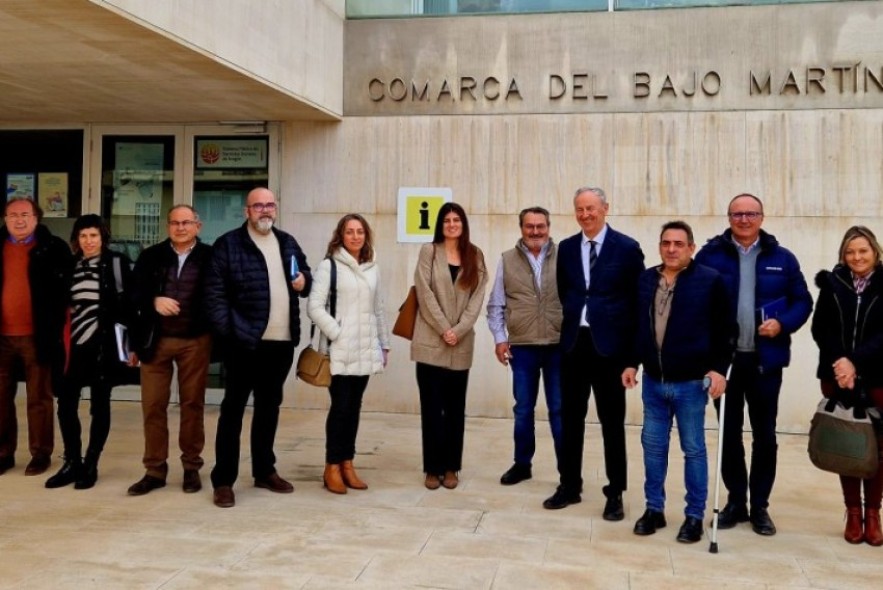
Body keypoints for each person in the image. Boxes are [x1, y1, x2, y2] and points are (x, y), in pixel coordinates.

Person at [695, 193, 812, 536]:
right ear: (728, 216)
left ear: (762, 216)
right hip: (724, 363)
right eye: (737, 214)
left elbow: (803, 301)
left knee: (765, 436)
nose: (744, 219)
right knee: (729, 434)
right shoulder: (710, 254)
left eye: (751, 213)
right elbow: (696, 298)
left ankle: (760, 505)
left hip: (765, 363)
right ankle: (735, 501)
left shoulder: (782, 258)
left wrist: (783, 323)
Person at [623, 221, 733, 543]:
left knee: (694, 449)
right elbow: (637, 326)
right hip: (654, 382)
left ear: (691, 248)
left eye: (679, 244)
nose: (671, 249)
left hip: (690, 383)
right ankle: (654, 509)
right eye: (666, 243)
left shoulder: (710, 281)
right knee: (653, 449)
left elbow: (725, 330)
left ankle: (694, 516)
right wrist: (631, 362)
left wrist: (718, 369)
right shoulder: (645, 279)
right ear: (660, 246)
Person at [205, 187, 311, 508]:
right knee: (233, 411)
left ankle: (265, 470)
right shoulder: (228, 245)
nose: (264, 211)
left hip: (280, 344)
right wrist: (232, 333)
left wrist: (304, 282)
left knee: (268, 409)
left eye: (269, 205)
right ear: (246, 211)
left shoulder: (287, 242)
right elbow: (214, 297)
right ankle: (224, 480)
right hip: (244, 344)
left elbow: (307, 278)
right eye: (258, 206)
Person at [545, 186, 644, 519]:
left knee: (611, 423)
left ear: (605, 208)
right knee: (570, 420)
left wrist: (632, 358)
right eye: (579, 209)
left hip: (610, 350)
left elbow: (637, 304)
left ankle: (615, 492)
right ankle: (569, 485)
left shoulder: (627, 249)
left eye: (591, 208)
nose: (585, 214)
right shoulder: (568, 248)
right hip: (574, 345)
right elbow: (565, 291)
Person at [44, 215, 136, 489]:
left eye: (93, 236)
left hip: (103, 346)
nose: (88, 241)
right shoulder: (69, 266)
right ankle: (72, 461)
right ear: (77, 239)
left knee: (100, 404)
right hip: (73, 346)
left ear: (103, 237)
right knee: (66, 404)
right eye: (83, 236)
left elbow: (130, 308)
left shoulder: (117, 263)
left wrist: (131, 347)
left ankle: (91, 463)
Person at [126, 205, 213, 496]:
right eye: (174, 222)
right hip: (156, 340)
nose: (180, 228)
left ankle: (191, 467)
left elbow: (220, 296)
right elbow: (132, 295)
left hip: (195, 341)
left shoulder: (210, 257)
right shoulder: (151, 256)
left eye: (186, 222)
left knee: (192, 405)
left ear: (197, 226)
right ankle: (154, 469)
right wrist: (154, 300)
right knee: (152, 406)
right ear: (167, 227)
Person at [307, 214, 390, 494]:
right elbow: (315, 307)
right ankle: (331, 466)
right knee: (340, 408)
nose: (355, 236)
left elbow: (378, 309)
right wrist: (338, 332)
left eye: (360, 232)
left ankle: (348, 463)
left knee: (354, 408)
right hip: (339, 350)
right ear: (340, 236)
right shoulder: (328, 266)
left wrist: (384, 344)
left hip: (366, 349)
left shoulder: (372, 268)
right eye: (349, 232)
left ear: (366, 236)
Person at [811, 225, 883, 546]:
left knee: (878, 449)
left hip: (879, 375)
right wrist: (840, 362)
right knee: (849, 442)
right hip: (837, 375)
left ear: (875, 252)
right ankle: (853, 512)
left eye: (863, 251)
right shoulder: (832, 283)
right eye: (851, 252)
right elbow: (820, 329)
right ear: (843, 254)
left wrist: (855, 361)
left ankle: (873, 514)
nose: (857, 257)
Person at [412, 202, 487, 490]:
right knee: (432, 409)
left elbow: (478, 296)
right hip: (431, 340)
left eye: (457, 220)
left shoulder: (475, 255)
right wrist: (445, 328)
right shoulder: (429, 252)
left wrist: (458, 330)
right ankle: (432, 468)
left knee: (455, 409)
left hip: (461, 342)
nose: (452, 224)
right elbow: (424, 291)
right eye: (447, 220)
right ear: (440, 225)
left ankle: (452, 467)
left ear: (463, 224)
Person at [486, 206, 563, 486]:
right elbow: (496, 304)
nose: (535, 231)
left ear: (549, 227)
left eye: (540, 226)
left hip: (557, 346)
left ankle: (567, 470)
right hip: (523, 347)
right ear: (521, 228)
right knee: (523, 409)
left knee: (559, 409)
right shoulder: (507, 260)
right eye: (529, 226)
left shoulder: (564, 256)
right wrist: (499, 338)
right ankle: (522, 464)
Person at [0, 197, 72, 476]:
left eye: (25, 214)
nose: (19, 220)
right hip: (2, 336)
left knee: (39, 398)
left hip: (37, 336)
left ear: (37, 218)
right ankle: (4, 452)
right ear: (5, 218)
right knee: (1, 398)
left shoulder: (53, 249)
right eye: (13, 215)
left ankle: (40, 453)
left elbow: (65, 291)